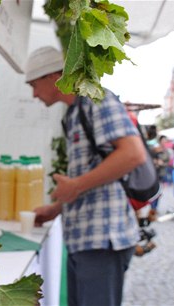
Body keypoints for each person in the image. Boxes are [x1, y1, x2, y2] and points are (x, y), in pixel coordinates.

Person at [25, 47, 146, 306]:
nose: (34, 94)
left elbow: (133, 154)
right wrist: (56, 208)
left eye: (34, 84)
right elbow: (90, 178)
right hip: (86, 238)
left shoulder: (97, 99)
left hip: (103, 239)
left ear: (54, 77)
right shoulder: (74, 113)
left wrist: (75, 185)